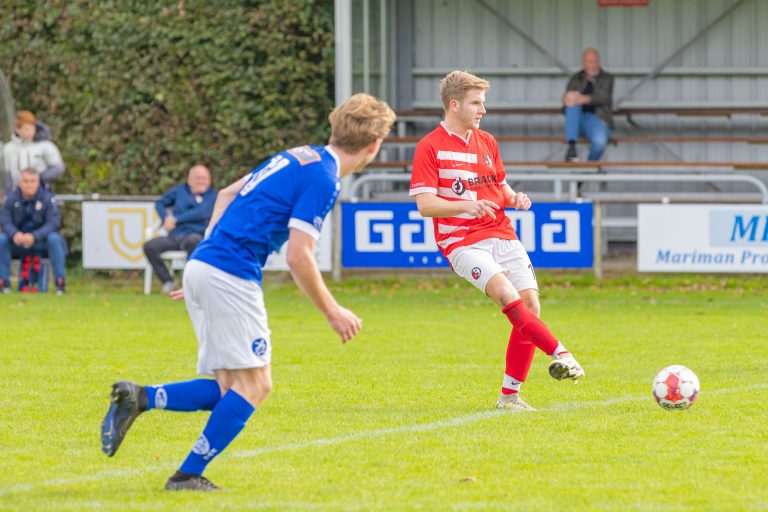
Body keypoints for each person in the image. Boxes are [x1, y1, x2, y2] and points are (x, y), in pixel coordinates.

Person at [100, 93, 396, 491]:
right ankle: (186, 475)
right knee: (256, 386)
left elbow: (225, 194)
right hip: (229, 273)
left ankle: (139, 398)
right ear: (374, 145)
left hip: (206, 264)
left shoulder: (298, 155)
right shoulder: (324, 179)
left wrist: (204, 259)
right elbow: (299, 256)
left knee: (229, 388)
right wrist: (333, 312)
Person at [409, 71, 585, 411]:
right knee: (507, 295)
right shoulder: (429, 147)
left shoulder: (487, 142)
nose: (482, 110)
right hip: (461, 241)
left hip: (502, 233)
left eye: (483, 103)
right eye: (476, 103)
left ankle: (509, 397)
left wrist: (514, 197)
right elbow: (425, 205)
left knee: (531, 306)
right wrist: (466, 205)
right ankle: (560, 352)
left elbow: (498, 188)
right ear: (454, 104)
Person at [144, 165, 217, 294]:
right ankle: (168, 281)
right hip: (175, 236)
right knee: (149, 246)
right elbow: (160, 203)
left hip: (196, 235)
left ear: (209, 180)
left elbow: (202, 213)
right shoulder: (180, 191)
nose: (201, 181)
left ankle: (189, 284)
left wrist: (176, 219)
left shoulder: (213, 196)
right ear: (189, 180)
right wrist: (165, 218)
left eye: (204, 178)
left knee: (194, 241)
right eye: (197, 178)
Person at [0, 168, 66, 294]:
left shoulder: (48, 198)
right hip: (18, 242)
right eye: (26, 181)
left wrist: (35, 236)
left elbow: (53, 223)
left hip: (40, 242)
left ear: (38, 182)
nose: (29, 184)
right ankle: (3, 284)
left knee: (55, 239)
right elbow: (4, 220)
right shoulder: (11, 198)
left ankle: (60, 284)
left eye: (32, 181)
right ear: (19, 183)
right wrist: (15, 234)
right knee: (1, 240)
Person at [562, 48, 614, 162]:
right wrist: (569, 98)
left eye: (596, 61)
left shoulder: (607, 78)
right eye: (590, 62)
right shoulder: (576, 78)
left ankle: (585, 173)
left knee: (600, 142)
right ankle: (571, 147)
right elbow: (566, 102)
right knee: (572, 103)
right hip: (577, 121)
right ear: (584, 63)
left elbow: (603, 97)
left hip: (598, 120)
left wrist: (581, 98)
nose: (593, 65)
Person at [2, 111, 65, 191]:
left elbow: (58, 167)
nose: (30, 132)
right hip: (16, 193)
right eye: (26, 129)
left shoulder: (45, 145)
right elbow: (7, 173)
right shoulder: (8, 148)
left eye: (32, 128)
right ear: (18, 129)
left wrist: (38, 178)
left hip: (41, 191)